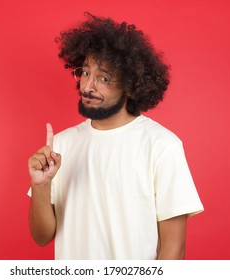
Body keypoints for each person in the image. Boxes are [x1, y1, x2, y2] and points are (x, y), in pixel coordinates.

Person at [28, 12, 204, 260]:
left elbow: (173, 248)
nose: (87, 86)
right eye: (85, 72)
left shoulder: (161, 145)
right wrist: (41, 185)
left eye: (104, 78)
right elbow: (41, 237)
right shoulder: (61, 144)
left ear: (131, 85)